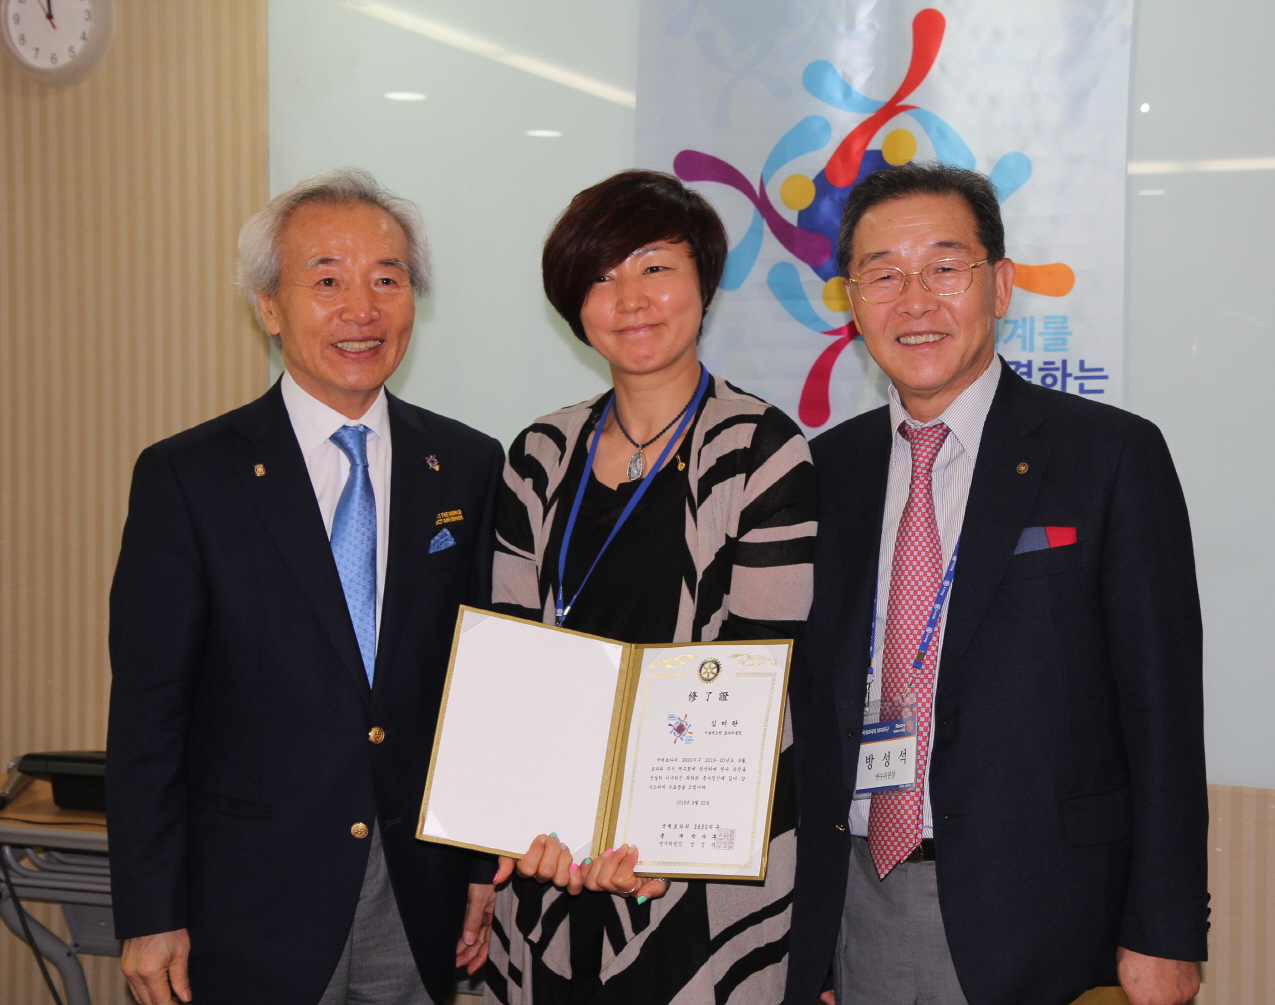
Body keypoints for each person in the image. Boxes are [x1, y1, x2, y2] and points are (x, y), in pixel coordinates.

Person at [786, 163, 1208, 1005]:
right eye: (882, 275)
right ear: (851, 302)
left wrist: (1164, 927)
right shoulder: (823, 470)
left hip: (1046, 912)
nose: (914, 301)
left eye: (945, 268)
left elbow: (1162, 711)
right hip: (855, 902)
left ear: (1000, 284)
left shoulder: (1109, 456)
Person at [106, 168, 505, 1005]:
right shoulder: (189, 477)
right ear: (269, 306)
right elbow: (148, 715)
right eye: (327, 281)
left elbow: (476, 688)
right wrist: (150, 909)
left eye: (386, 280)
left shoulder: (467, 464)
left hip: (416, 893)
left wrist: (477, 865)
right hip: (247, 904)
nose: (362, 309)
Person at [482, 169, 817, 1004]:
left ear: (703, 282)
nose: (629, 298)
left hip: (704, 860)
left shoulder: (762, 451)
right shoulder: (537, 455)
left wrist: (655, 837)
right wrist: (535, 821)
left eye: (655, 267)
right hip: (550, 863)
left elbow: (754, 675)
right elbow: (511, 660)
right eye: (601, 276)